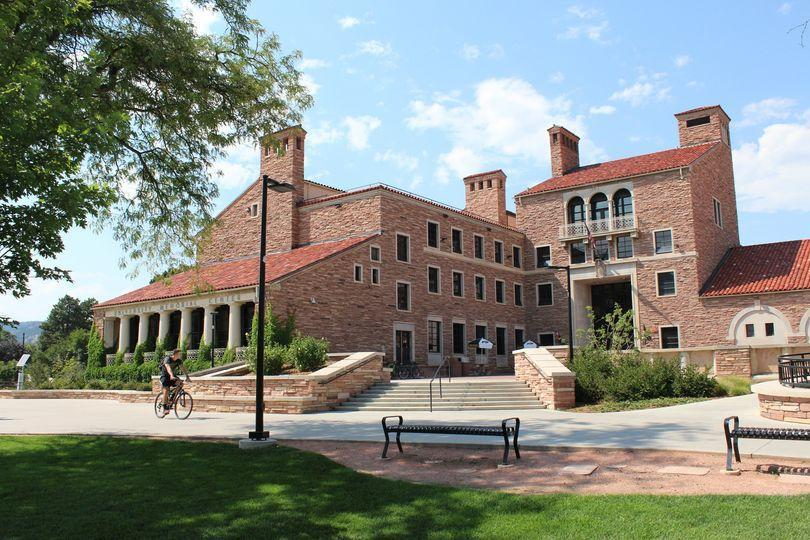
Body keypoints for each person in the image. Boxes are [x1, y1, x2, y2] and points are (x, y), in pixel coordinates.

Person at [159, 348, 190, 417]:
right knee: (166, 390)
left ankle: (171, 400)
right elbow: (168, 367)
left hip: (172, 375)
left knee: (180, 384)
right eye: (180, 354)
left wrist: (187, 376)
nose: (181, 355)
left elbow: (182, 368)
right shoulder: (167, 359)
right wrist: (171, 375)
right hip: (165, 376)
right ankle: (164, 408)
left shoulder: (178, 361)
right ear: (176, 354)